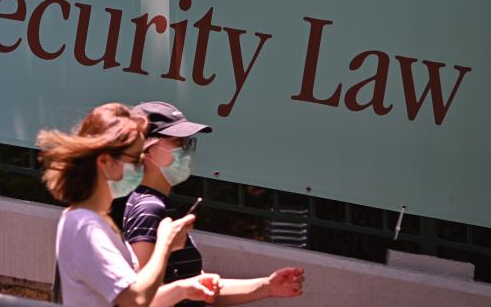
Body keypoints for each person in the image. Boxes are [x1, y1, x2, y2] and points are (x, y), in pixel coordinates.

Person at [120, 101, 306, 307]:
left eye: (188, 142)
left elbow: (199, 287)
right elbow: (140, 299)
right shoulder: (150, 208)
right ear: (146, 150)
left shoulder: (157, 204)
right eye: (177, 142)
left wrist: (268, 286)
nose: (186, 149)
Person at [38, 102, 222, 307]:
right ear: (105, 161)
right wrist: (165, 244)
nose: (141, 164)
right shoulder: (86, 225)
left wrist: (183, 289)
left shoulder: (97, 219)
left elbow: (132, 296)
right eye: (135, 158)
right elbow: (135, 300)